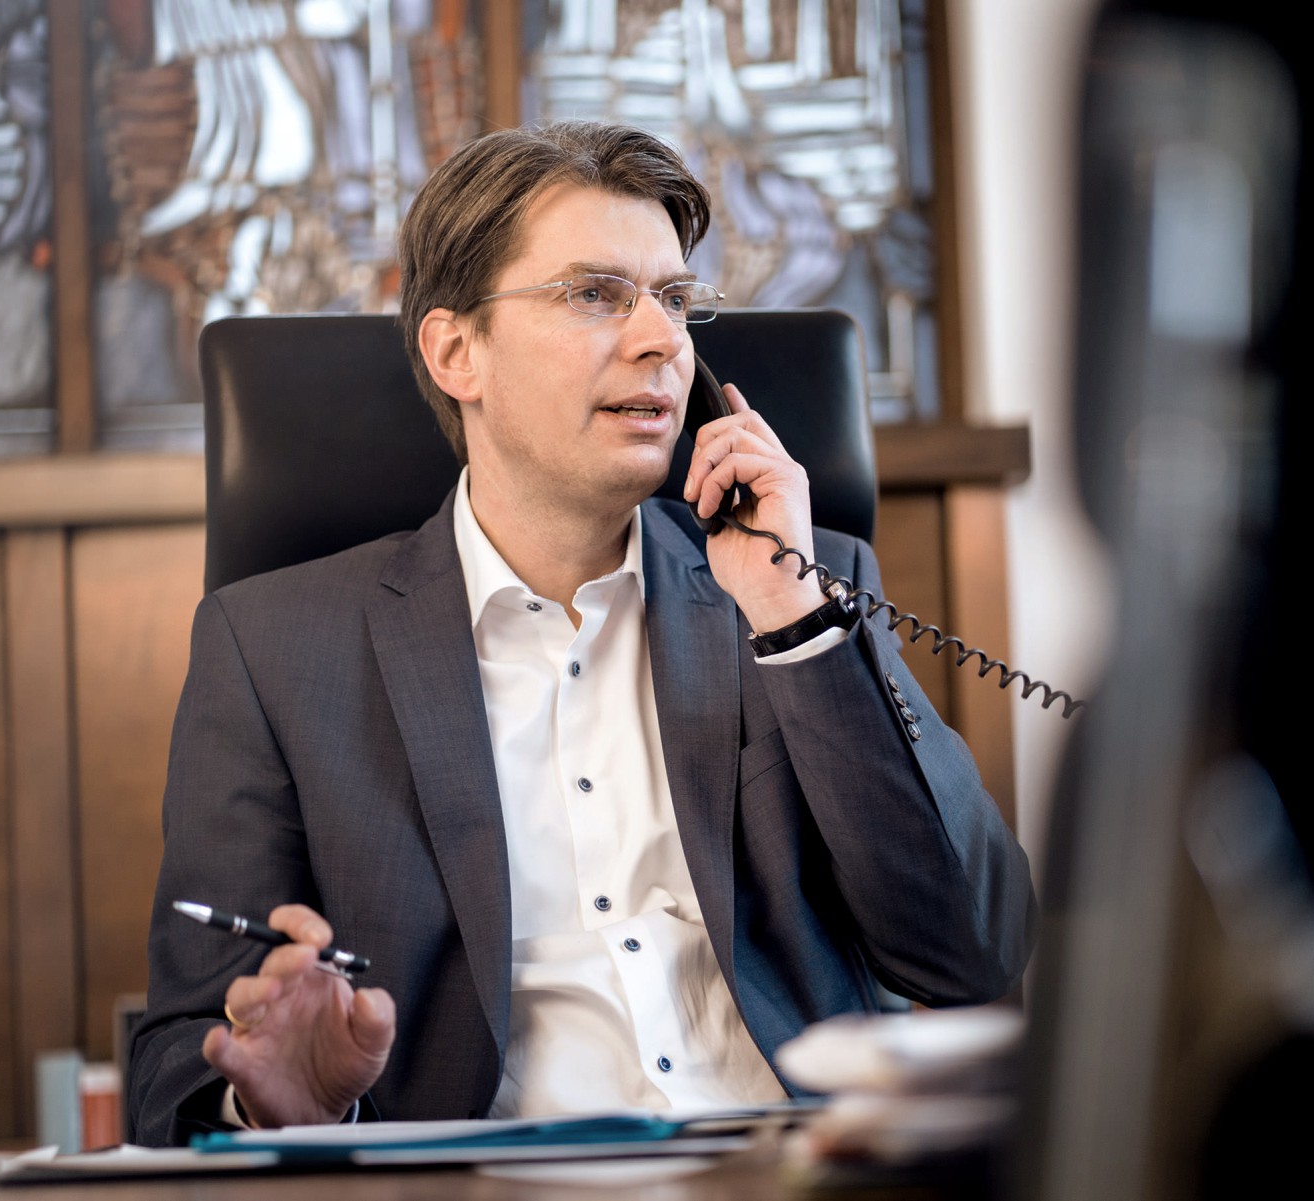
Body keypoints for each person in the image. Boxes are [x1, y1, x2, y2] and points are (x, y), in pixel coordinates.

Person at [127, 120, 1035, 1145]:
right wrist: (261, 1098)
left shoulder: (795, 591)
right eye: (597, 294)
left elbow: (975, 951)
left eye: (676, 300)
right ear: (456, 348)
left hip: (787, 1171)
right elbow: (177, 1060)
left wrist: (797, 624)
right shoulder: (275, 650)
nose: (663, 343)